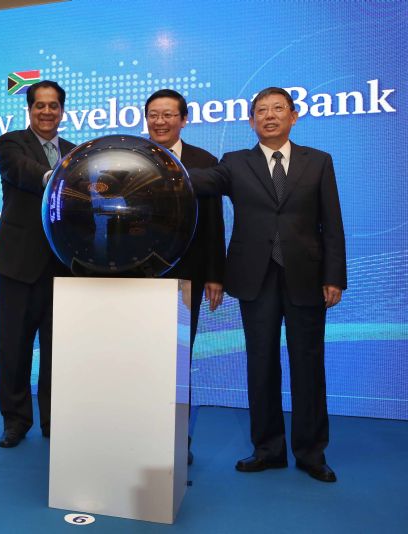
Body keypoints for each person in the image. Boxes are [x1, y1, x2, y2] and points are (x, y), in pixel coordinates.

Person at [189, 87, 346, 482]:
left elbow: (332, 224)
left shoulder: (319, 162)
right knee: (260, 365)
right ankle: (268, 449)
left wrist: (334, 276)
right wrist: (154, 165)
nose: (270, 116)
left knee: (308, 365)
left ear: (294, 116)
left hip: (307, 277)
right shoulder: (235, 163)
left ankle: (311, 453)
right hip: (253, 277)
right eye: (261, 111)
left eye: (278, 109)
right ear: (251, 121)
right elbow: (199, 181)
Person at [0, 81, 75, 448]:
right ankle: (15, 421)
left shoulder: (74, 152)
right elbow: (20, 171)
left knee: (60, 350)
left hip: (65, 267)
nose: (47, 113)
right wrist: (58, 178)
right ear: (30, 109)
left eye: (53, 106)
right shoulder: (11, 143)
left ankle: (56, 420)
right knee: (15, 348)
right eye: (40, 106)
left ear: (62, 111)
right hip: (19, 263)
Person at [144, 89, 226, 465]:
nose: (160, 122)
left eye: (167, 115)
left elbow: (213, 225)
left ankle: (177, 439)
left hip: (186, 279)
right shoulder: (129, 157)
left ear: (183, 119)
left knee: (176, 362)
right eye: (153, 115)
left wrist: (214, 275)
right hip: (136, 280)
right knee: (139, 360)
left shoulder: (204, 162)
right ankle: (138, 430)